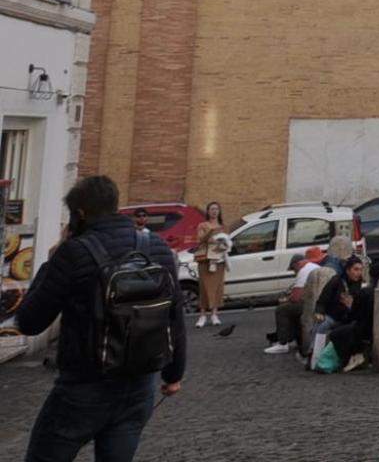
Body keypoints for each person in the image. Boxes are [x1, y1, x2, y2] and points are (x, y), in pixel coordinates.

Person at [13, 174, 186, 461]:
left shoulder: (73, 253)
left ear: (80, 214)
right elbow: (174, 317)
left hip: (83, 387)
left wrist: (50, 261)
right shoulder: (156, 248)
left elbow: (29, 322)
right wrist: (173, 375)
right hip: (139, 385)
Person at [317, 256, 373, 372]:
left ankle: (343, 358)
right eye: (355, 269)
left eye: (360, 269)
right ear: (347, 270)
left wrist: (351, 305)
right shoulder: (336, 281)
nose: (358, 273)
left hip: (350, 317)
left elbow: (360, 310)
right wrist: (319, 311)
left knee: (347, 331)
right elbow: (323, 298)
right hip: (333, 315)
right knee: (322, 326)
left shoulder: (362, 286)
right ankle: (314, 355)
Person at [266, 247, 327, 355]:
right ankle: (294, 339)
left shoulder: (303, 271)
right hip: (321, 302)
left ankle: (283, 343)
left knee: (282, 310)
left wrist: (285, 300)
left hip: (313, 305)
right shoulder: (315, 266)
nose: (294, 272)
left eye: (294, 269)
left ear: (297, 264)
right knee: (294, 310)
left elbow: (296, 297)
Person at [193, 201, 228, 329]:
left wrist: (223, 243)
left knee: (217, 287)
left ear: (219, 211)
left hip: (219, 259)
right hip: (205, 259)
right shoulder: (202, 225)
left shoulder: (223, 226)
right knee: (204, 287)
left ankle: (214, 314)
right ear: (207, 211)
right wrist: (211, 232)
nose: (214, 211)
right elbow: (200, 240)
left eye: (216, 209)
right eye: (211, 209)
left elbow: (227, 242)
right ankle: (202, 315)